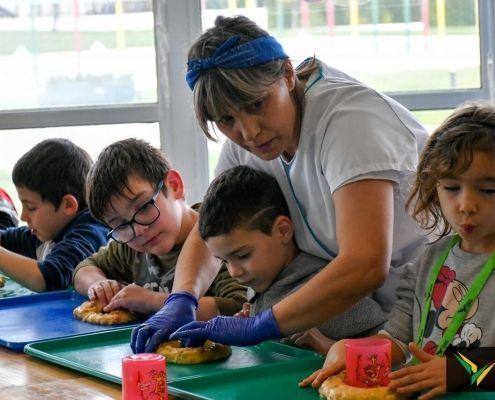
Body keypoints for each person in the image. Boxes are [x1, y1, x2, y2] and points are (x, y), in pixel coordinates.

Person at [131, 15, 428, 353]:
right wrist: (182, 297)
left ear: (287, 75)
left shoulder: (348, 122)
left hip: (445, 301)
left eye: (257, 104)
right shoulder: (248, 143)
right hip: (379, 315)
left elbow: (365, 263)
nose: (249, 132)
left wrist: (265, 323)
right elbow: (209, 226)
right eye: (227, 120)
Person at [299, 103, 495, 399]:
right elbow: (398, 339)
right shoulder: (429, 261)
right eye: (452, 188)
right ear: (434, 187)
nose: (466, 205)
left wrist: (460, 370)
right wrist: (354, 350)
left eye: (488, 190)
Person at [189, 165, 389, 354]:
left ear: (282, 230)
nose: (234, 272)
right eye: (223, 261)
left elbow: (386, 344)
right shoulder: (265, 280)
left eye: (242, 255)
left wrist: (331, 347)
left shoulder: (323, 288)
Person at [73, 139, 246, 319]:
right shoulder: (130, 247)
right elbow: (84, 269)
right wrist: (99, 285)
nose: (138, 230)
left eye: (143, 207)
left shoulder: (220, 235)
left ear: (174, 185)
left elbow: (238, 307)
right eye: (121, 225)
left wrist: (152, 301)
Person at [0, 139, 109, 292]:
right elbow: (6, 240)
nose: (23, 216)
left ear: (68, 205)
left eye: (31, 207)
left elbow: (47, 278)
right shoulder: (49, 231)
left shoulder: (89, 234)